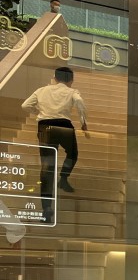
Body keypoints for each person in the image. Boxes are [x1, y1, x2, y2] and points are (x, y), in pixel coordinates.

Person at [21, 66, 88, 199]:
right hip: (64, 126)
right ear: (71, 80)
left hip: (45, 126)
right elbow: (80, 101)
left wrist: (38, 112)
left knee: (47, 165)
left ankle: (46, 205)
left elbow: (25, 105)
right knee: (72, 154)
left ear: (55, 78)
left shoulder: (41, 90)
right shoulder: (72, 91)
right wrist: (83, 122)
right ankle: (63, 178)